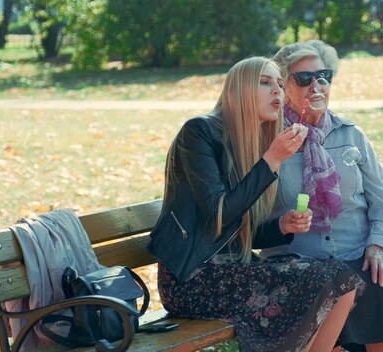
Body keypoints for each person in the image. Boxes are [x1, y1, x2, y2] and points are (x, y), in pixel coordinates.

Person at [147, 56, 365, 352]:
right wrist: (272, 160)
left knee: (343, 281)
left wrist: (281, 226)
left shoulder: (250, 143)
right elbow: (220, 216)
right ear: (238, 90)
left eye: (278, 83)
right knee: (316, 280)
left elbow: (240, 231)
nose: (277, 90)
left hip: (233, 268)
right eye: (265, 82)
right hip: (193, 279)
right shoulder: (198, 133)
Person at [270, 41, 383, 351]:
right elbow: (255, 216)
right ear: (284, 86)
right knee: (327, 286)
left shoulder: (351, 135)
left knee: (379, 279)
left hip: (358, 256)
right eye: (304, 78)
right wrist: (283, 221)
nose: (316, 85)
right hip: (301, 265)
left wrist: (379, 247)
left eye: (324, 76)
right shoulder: (273, 141)